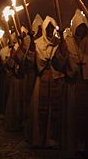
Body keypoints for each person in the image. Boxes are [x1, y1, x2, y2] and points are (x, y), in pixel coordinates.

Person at [59, 10, 88, 158]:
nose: (81, 30)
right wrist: (62, 54)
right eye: (79, 27)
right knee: (72, 119)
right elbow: (58, 64)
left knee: (87, 119)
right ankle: (73, 146)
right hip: (73, 85)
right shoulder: (66, 42)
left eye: (83, 27)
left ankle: (86, 147)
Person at [26, 16, 65, 148]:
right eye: (47, 28)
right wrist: (31, 51)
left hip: (55, 79)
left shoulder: (59, 43)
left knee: (55, 109)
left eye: (51, 28)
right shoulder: (37, 44)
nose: (49, 30)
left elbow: (63, 62)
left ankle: (52, 138)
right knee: (40, 110)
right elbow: (31, 63)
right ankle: (40, 137)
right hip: (42, 79)